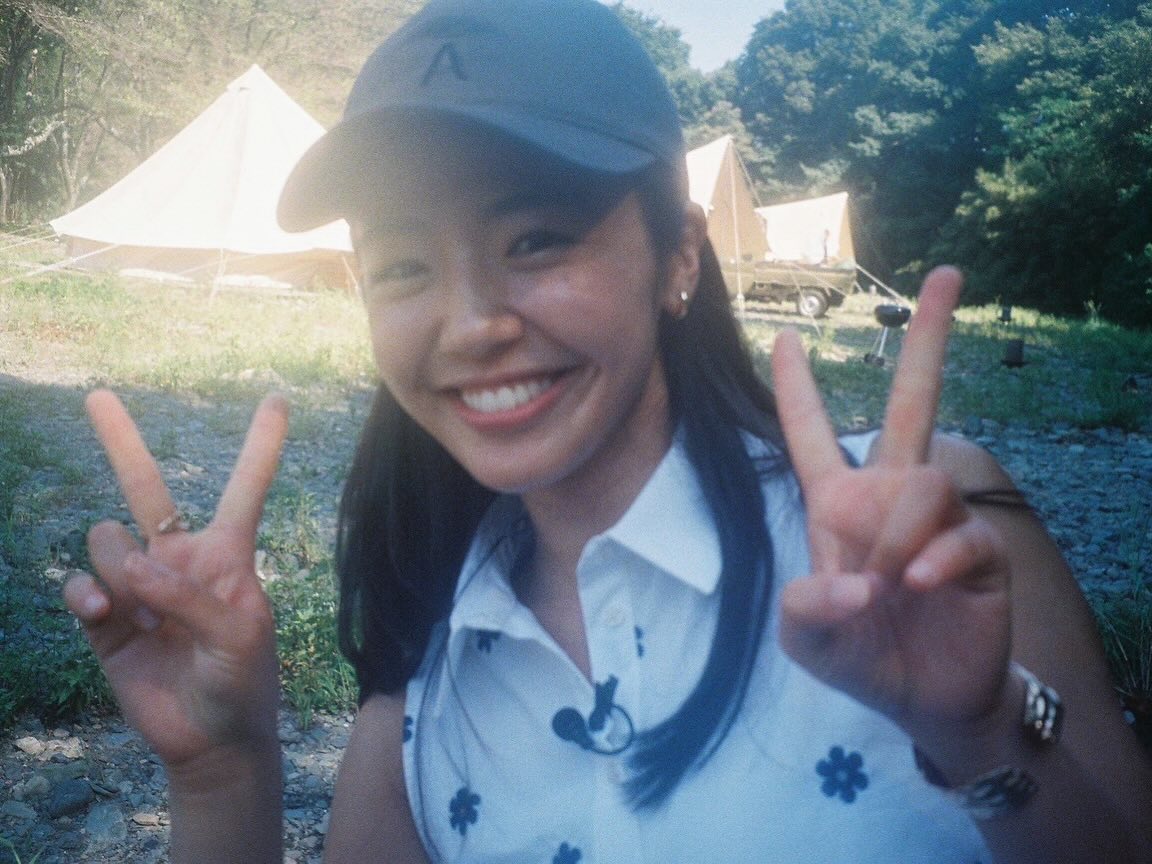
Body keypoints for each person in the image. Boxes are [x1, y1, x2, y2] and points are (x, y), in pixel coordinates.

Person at [64, 0, 1151, 861]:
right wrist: (222, 774)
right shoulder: (427, 670)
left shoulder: (921, 543)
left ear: (679, 254)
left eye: (536, 238)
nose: (471, 324)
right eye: (402, 265)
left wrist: (983, 732)